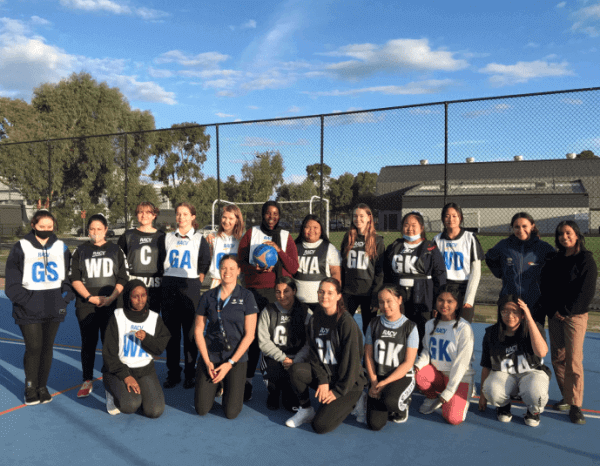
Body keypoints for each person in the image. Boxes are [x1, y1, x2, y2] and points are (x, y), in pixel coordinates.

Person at [6, 210, 75, 405]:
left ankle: (42, 386)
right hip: (28, 308)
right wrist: (27, 300)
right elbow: (12, 282)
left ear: (54, 227)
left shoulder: (61, 247)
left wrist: (65, 298)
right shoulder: (21, 247)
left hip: (54, 306)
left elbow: (69, 277)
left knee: (47, 348)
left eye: (49, 227)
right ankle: (30, 386)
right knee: (34, 347)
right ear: (33, 226)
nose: (46, 230)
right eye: (41, 226)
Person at [285, 278, 367, 434]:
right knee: (296, 370)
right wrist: (322, 381)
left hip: (349, 383)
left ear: (338, 296)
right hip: (328, 377)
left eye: (330, 293)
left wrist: (337, 392)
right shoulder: (316, 318)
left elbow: (352, 364)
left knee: (320, 426)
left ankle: (358, 399)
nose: (325, 296)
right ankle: (306, 409)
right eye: (321, 292)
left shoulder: (346, 322)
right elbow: (315, 355)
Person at [238, 200, 299, 401]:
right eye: (268, 213)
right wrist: (253, 269)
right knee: (253, 339)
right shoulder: (251, 233)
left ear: (279, 216)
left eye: (275, 213)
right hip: (254, 291)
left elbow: (293, 267)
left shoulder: (284, 236)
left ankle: (275, 386)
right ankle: (247, 382)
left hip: (277, 294)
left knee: (275, 340)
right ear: (262, 214)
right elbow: (240, 261)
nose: (271, 217)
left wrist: (278, 250)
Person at [540, 220, 597, 424]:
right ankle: (566, 396)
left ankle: (575, 405)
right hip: (555, 316)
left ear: (577, 234)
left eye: (568, 233)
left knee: (574, 361)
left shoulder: (586, 260)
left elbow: (586, 292)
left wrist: (566, 310)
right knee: (558, 357)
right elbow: (546, 285)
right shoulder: (555, 259)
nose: (564, 237)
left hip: (575, 316)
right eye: (561, 234)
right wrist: (553, 310)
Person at [70, 213, 128, 398]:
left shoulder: (116, 250)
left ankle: (110, 381)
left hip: (111, 303)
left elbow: (122, 278)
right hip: (87, 304)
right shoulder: (80, 251)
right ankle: (87, 379)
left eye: (99, 229)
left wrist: (111, 298)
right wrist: (90, 297)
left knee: (110, 345)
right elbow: (75, 278)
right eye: (92, 229)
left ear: (106, 230)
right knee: (88, 343)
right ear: (88, 231)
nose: (95, 232)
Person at [194, 255, 258, 419]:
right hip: (212, 356)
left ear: (238, 271)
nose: (227, 272)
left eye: (231, 268)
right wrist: (207, 360)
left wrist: (229, 364)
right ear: (219, 270)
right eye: (223, 268)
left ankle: (227, 380)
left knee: (231, 413)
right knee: (201, 409)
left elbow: (250, 335)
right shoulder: (208, 296)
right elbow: (198, 330)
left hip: (235, 358)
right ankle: (217, 385)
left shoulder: (247, 296)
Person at [159, 202, 211, 389]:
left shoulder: (199, 239)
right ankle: (173, 373)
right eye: (179, 214)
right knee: (171, 335)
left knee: (190, 335)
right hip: (169, 288)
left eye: (185, 214)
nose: (181, 217)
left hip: (190, 287)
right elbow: (160, 262)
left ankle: (190, 373)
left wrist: (198, 279)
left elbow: (205, 261)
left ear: (193, 217)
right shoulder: (167, 238)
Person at [102, 279, 171, 418]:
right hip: (119, 370)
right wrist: (125, 376)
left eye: (143, 295)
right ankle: (112, 391)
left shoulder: (154, 318)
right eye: (135, 296)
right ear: (128, 297)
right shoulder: (118, 316)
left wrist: (146, 339)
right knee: (130, 405)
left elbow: (159, 348)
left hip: (144, 370)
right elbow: (109, 353)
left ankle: (137, 393)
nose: (140, 300)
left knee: (154, 411)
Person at [478, 295, 550, 427]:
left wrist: (528, 316)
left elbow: (542, 352)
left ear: (522, 314)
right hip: (506, 375)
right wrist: (483, 396)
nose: (510, 315)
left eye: (515, 311)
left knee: (536, 393)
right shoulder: (491, 333)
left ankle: (533, 411)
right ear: (500, 313)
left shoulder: (534, 328)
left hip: (531, 373)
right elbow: (486, 366)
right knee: (490, 390)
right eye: (505, 311)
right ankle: (504, 406)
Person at [414, 286, 474, 426]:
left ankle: (461, 393)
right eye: (441, 300)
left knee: (453, 419)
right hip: (439, 375)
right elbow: (427, 351)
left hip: (459, 378)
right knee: (420, 374)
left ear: (457, 304)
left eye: (449, 301)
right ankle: (432, 397)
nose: (444, 305)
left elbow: (461, 364)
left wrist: (449, 391)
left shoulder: (463, 328)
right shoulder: (430, 324)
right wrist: (418, 364)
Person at [384, 211, 446, 344]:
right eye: (406, 225)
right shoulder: (394, 246)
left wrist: (437, 301)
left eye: (413, 225)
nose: (410, 228)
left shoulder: (430, 248)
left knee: (422, 331)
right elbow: (387, 273)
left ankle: (421, 361)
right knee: (400, 329)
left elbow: (440, 276)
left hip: (423, 296)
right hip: (399, 295)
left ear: (421, 228)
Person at [364, 285, 418, 430]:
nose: (385, 306)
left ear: (399, 300)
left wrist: (386, 382)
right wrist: (374, 381)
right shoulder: (374, 323)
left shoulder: (410, 327)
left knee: (391, 402)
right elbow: (368, 355)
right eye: (381, 302)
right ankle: (379, 396)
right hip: (378, 377)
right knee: (375, 425)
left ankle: (403, 402)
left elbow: (408, 363)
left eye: (389, 301)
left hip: (401, 377)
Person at [485, 212, 554, 325]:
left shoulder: (544, 248)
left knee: (533, 339)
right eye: (517, 227)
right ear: (512, 228)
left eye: (524, 226)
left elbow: (555, 268)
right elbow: (489, 257)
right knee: (507, 338)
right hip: (509, 302)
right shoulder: (504, 245)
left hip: (534, 303)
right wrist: (501, 273)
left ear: (532, 226)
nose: (520, 230)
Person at [258, 277, 312, 411]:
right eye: (278, 292)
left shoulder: (306, 312)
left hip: (297, 359)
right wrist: (283, 358)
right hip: (275, 358)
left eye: (286, 291)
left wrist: (296, 360)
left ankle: (292, 390)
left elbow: (309, 343)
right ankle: (273, 392)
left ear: (294, 291)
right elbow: (263, 341)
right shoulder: (268, 311)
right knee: (273, 389)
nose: (282, 296)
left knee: (290, 404)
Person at [433, 203, 483, 323]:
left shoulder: (470, 238)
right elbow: (432, 270)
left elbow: (476, 271)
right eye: (447, 216)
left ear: (460, 218)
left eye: (454, 216)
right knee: (443, 327)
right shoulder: (437, 240)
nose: (451, 219)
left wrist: (469, 299)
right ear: (443, 218)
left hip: (463, 289)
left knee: (463, 329)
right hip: (443, 288)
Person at [340, 203, 385, 335]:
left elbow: (379, 271)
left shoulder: (377, 240)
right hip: (349, 291)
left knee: (369, 329)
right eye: (355, 216)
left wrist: (376, 295)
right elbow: (342, 266)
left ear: (369, 218)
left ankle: (368, 356)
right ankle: (347, 354)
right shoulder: (348, 237)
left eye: (361, 216)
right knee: (344, 326)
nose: (357, 219)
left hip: (368, 292)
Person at [118, 202, 165, 312]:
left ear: (154, 215)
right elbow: (118, 261)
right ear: (136, 215)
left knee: (152, 323)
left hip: (155, 287)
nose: (144, 215)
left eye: (148, 212)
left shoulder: (162, 236)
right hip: (132, 286)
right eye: (140, 212)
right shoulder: (127, 236)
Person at [294, 214, 342, 311]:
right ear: (303, 229)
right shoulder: (295, 247)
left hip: (322, 302)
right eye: (307, 227)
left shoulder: (329, 248)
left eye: (315, 227)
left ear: (321, 230)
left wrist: (334, 296)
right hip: (298, 302)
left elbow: (336, 273)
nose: (311, 231)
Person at [205, 204, 245, 289]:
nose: (226, 221)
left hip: (236, 281)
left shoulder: (242, 239)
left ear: (237, 220)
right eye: (224, 217)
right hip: (217, 281)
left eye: (231, 218)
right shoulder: (212, 238)